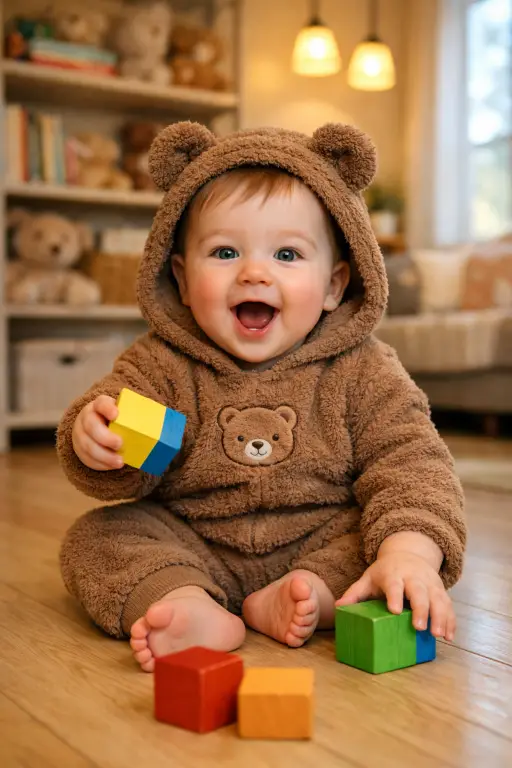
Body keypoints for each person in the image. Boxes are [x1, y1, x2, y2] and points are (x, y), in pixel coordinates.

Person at [57, 122, 466, 672]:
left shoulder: (364, 370)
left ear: (334, 285)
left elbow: (412, 462)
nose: (254, 273)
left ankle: (311, 597)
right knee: (98, 538)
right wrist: (96, 438)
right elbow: (126, 450)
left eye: (288, 255)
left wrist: (410, 553)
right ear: (180, 278)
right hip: (194, 540)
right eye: (224, 251)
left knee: (378, 542)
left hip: (318, 540)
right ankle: (186, 601)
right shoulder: (160, 362)